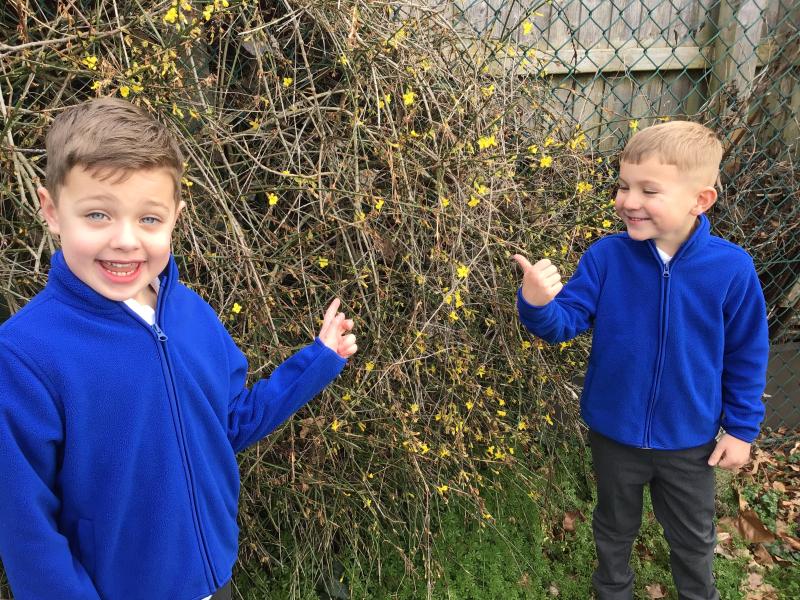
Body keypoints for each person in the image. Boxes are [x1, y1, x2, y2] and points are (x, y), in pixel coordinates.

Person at [0, 97, 357, 599]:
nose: (126, 241)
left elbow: (228, 424)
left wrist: (317, 362)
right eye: (98, 214)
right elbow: (26, 530)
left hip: (215, 577)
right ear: (52, 210)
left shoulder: (193, 316)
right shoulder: (23, 355)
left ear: (175, 218)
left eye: (149, 219)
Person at [512, 120, 769, 600]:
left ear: (700, 200)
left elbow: (747, 353)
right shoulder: (606, 258)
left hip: (690, 438)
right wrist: (538, 303)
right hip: (615, 431)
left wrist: (741, 429)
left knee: (693, 536)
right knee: (614, 525)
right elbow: (564, 324)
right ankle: (612, 591)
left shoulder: (731, 268)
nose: (629, 201)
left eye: (649, 191)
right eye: (624, 186)